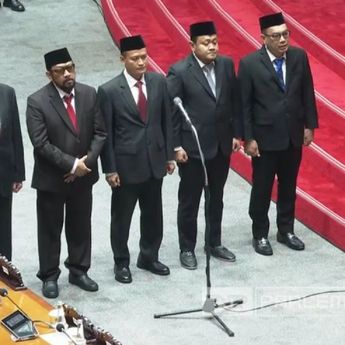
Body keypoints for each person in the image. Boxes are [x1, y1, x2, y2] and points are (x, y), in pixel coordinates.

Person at [26, 48, 106, 298]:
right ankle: (49, 275)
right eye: (61, 71)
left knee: (80, 224)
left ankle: (79, 270)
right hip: (53, 179)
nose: (68, 74)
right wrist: (72, 165)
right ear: (49, 74)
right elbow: (41, 144)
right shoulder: (37, 101)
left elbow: (100, 133)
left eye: (71, 67)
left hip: (83, 176)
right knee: (50, 229)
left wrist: (84, 165)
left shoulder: (89, 94)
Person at [238, 13, 318, 256]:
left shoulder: (298, 57)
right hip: (264, 139)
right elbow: (244, 105)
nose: (283, 40)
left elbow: (307, 92)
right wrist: (248, 138)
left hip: (292, 134)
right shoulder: (250, 64)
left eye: (286, 34)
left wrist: (309, 125)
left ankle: (286, 230)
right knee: (262, 188)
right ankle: (260, 233)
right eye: (276, 36)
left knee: (288, 185)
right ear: (263, 38)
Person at [98, 35, 174, 284]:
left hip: (154, 160)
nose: (142, 62)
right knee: (122, 217)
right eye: (136, 58)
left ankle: (149, 256)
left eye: (144, 56)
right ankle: (121, 262)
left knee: (153, 213)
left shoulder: (158, 82)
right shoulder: (109, 90)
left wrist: (169, 155)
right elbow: (105, 133)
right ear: (123, 59)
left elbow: (166, 121)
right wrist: (109, 169)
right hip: (126, 165)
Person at [167, 21, 242, 270]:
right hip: (193, 148)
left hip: (220, 145)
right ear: (192, 45)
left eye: (214, 42)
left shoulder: (226, 65)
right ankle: (187, 247)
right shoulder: (179, 72)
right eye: (206, 43)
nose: (212, 47)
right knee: (189, 201)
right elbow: (172, 113)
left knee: (216, 197)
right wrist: (176, 146)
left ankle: (214, 242)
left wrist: (235, 134)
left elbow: (233, 102)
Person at [0, 84, 25, 261]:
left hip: (3, 172)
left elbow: (16, 133)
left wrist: (18, 173)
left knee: (3, 228)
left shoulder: (6, 92)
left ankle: (3, 274)